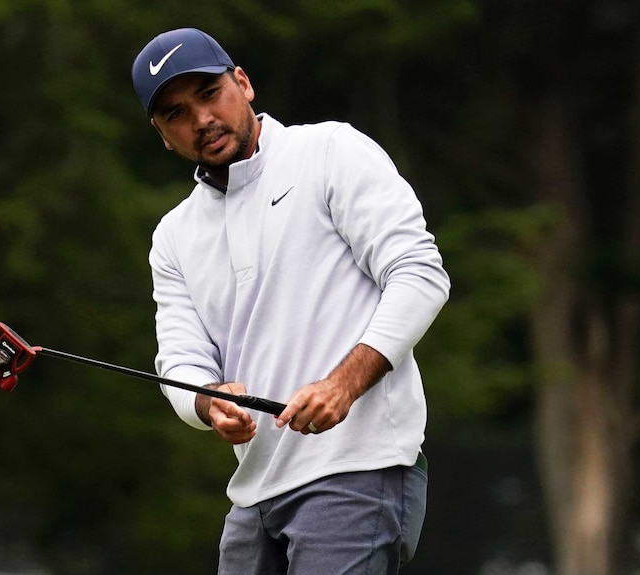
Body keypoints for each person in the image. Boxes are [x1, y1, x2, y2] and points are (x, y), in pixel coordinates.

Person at [131, 28, 450, 575]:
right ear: (162, 135)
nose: (202, 119)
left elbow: (419, 274)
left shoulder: (329, 151)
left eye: (209, 93)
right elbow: (180, 363)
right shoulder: (174, 235)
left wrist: (342, 385)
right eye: (177, 113)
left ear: (243, 83)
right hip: (254, 494)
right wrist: (209, 402)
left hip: (358, 469)